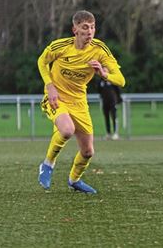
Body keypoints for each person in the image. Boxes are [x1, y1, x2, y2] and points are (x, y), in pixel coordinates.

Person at [37, 10, 126, 193]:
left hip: (79, 102)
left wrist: (104, 74)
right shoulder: (60, 46)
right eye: (85, 28)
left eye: (93, 27)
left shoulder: (100, 50)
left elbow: (121, 80)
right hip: (56, 98)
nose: (90, 32)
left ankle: (74, 180)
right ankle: (47, 164)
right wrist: (49, 86)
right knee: (67, 130)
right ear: (75, 29)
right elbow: (41, 61)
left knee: (88, 152)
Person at [98, 67, 123, 140]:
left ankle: (115, 133)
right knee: (106, 117)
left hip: (113, 101)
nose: (104, 71)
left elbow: (118, 90)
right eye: (103, 70)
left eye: (106, 70)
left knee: (114, 117)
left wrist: (118, 99)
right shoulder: (101, 81)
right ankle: (108, 133)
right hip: (105, 102)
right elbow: (99, 90)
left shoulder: (112, 79)